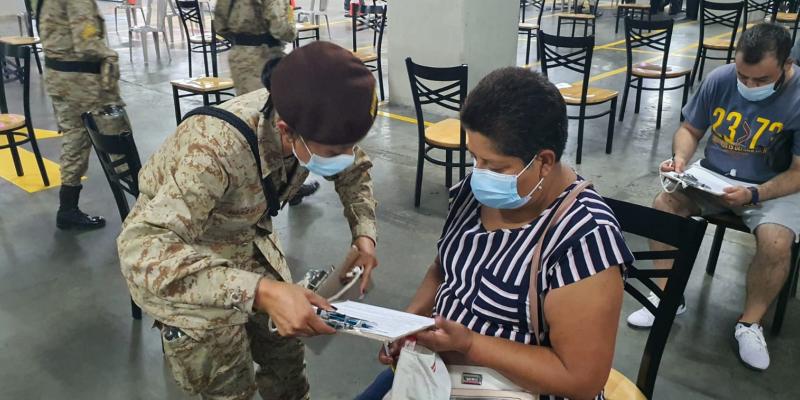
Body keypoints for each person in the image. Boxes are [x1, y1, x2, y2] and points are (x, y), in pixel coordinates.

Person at [117, 42, 380, 399]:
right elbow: (141, 248)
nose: (345, 157)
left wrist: (363, 235)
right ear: (286, 130)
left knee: (288, 362)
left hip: (247, 241)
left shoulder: (315, 125)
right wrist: (261, 291)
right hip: (187, 264)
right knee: (228, 387)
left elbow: (354, 170)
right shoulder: (214, 151)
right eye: (335, 152)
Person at [365, 68, 634, 400]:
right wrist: (407, 323)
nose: (479, 174)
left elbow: (579, 379)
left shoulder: (584, 241)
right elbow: (443, 270)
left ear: (544, 162)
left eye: (495, 167)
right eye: (474, 158)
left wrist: (471, 344)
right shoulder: (473, 193)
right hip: (437, 372)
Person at [627, 23, 800, 371]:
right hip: (713, 178)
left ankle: (749, 323)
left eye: (761, 80)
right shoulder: (720, 79)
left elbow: (798, 171)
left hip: (773, 186)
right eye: (743, 76)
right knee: (664, 207)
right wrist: (680, 159)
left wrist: (755, 193)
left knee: (777, 243)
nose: (749, 86)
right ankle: (667, 295)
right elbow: (690, 129)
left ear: (786, 65)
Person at [215, 0, 321, 206]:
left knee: (250, 124)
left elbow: (220, 24)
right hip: (264, 58)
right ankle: (273, 190)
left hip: (240, 57)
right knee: (276, 128)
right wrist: (291, 28)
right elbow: (282, 28)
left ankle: (286, 188)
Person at [38, 0, 125, 229]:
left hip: (59, 78)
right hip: (82, 83)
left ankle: (67, 208)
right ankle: (142, 202)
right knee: (117, 137)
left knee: (73, 139)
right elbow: (86, 42)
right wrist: (110, 54)